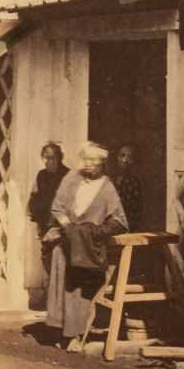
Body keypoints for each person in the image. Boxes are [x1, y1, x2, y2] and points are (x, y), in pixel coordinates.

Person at [43, 142, 129, 353]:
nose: (88, 164)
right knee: (60, 267)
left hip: (89, 248)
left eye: (94, 161)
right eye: (86, 159)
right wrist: (69, 228)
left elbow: (119, 220)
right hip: (66, 242)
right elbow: (57, 207)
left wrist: (93, 232)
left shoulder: (107, 187)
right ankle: (60, 329)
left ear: (102, 163)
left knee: (79, 287)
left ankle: (76, 333)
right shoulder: (71, 178)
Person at [29, 142, 70, 276]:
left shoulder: (68, 176)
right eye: (45, 158)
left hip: (61, 226)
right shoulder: (41, 175)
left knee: (61, 258)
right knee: (46, 256)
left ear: (59, 158)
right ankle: (51, 292)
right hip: (45, 224)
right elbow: (34, 198)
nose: (48, 161)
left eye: (52, 158)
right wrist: (38, 223)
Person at [111, 144, 142, 232]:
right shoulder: (110, 178)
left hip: (128, 223)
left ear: (134, 160)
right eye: (122, 155)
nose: (125, 160)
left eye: (130, 157)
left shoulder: (135, 181)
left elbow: (134, 208)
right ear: (117, 157)